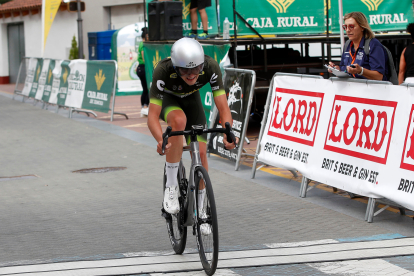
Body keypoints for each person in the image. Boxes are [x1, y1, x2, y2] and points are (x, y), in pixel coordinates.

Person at [147, 38, 236, 230]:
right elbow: (152, 116)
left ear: (202, 64)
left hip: (192, 102)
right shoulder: (163, 70)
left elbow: (223, 106)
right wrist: (160, 140)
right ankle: (171, 186)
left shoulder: (211, 66)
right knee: (179, 121)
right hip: (170, 102)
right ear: (175, 67)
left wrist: (228, 131)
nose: (190, 75)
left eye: (195, 69)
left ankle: (201, 209)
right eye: (184, 71)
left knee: (201, 154)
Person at [329, 12, 388, 81]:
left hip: (371, 90)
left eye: (351, 26)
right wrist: (337, 69)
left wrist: (361, 71)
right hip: (352, 88)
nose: (347, 30)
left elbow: (379, 77)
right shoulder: (347, 44)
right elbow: (345, 69)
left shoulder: (373, 44)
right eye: (345, 27)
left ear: (362, 27)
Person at [137, 27, 149, 116]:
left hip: (141, 68)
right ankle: (145, 107)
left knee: (145, 89)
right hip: (143, 68)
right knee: (148, 89)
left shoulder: (141, 43)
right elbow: (144, 57)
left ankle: (143, 108)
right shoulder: (143, 44)